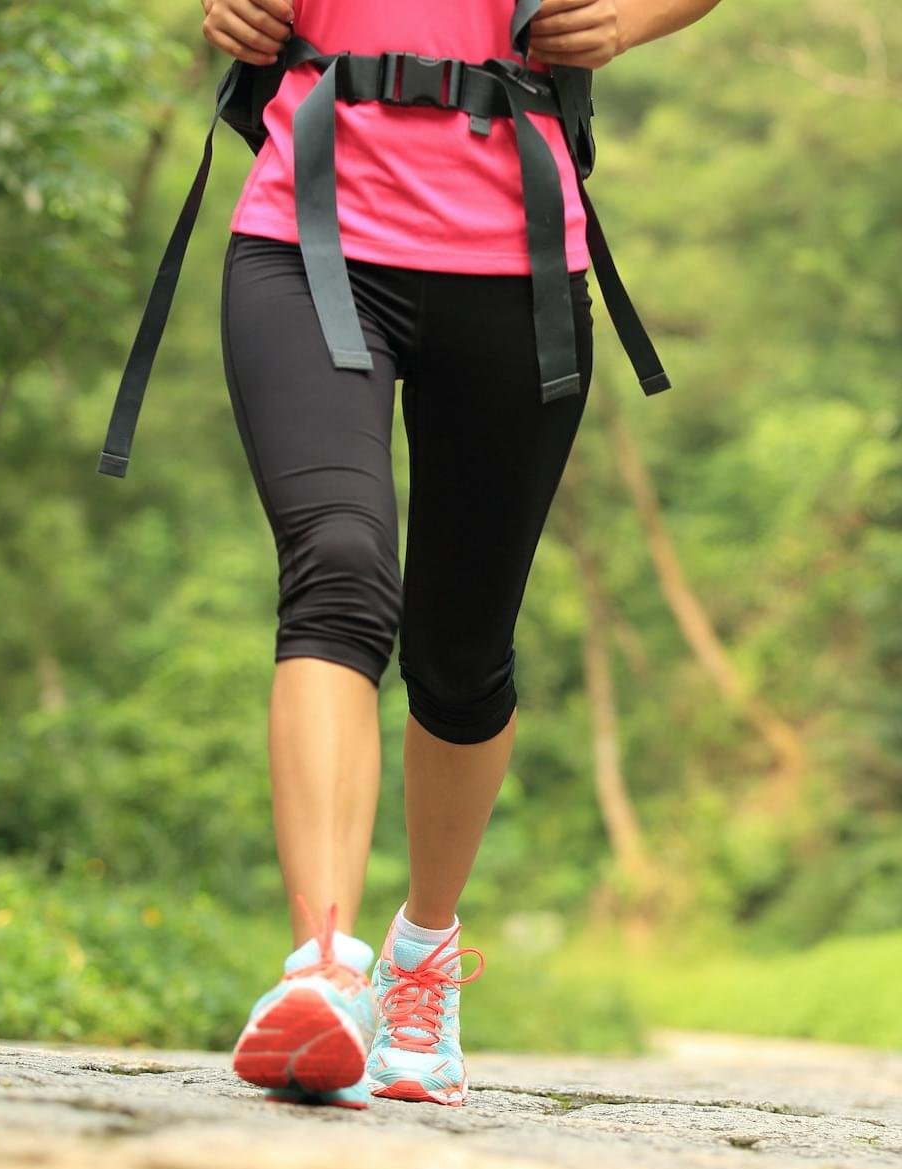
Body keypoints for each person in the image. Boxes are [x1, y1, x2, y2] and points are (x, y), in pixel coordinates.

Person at [199, 0, 719, 1107]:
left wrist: (626, 21)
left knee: (460, 652)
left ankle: (421, 952)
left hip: (515, 261)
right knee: (337, 566)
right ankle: (323, 969)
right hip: (309, 232)